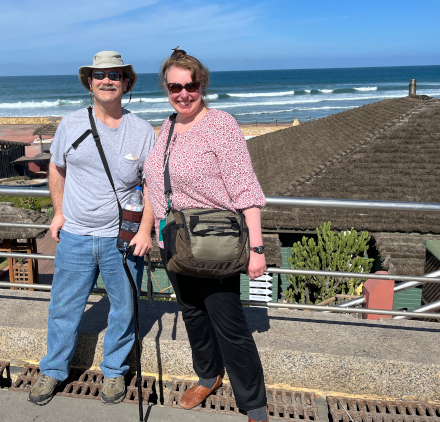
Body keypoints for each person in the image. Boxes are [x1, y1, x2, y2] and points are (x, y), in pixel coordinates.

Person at [143, 49, 269, 422]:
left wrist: (257, 248)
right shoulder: (166, 126)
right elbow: (154, 184)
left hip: (213, 240)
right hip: (174, 241)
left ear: (203, 85)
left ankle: (254, 403)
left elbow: (246, 189)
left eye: (190, 85)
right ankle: (208, 375)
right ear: (166, 89)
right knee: (193, 314)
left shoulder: (221, 125)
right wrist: (148, 231)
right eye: (174, 87)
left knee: (228, 322)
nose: (183, 93)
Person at [29, 51, 156, 406]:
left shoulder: (142, 130)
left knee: (125, 307)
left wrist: (146, 230)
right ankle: (53, 369)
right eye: (100, 74)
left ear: (126, 83)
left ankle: (114, 370)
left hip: (123, 238)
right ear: (89, 82)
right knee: (64, 306)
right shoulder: (70, 124)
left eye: (115, 75)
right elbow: (56, 168)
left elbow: (152, 186)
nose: (107, 80)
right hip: (77, 235)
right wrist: (58, 212)